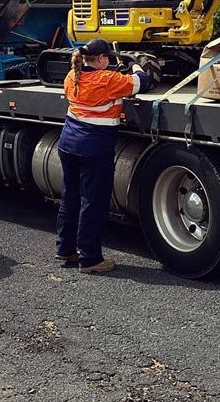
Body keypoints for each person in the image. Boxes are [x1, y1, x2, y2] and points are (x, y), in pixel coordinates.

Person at [56, 37, 155, 273]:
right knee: (94, 201)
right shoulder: (108, 79)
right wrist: (136, 65)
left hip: (68, 143)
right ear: (100, 59)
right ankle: (90, 259)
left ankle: (65, 249)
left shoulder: (72, 76)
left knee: (70, 197)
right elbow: (142, 82)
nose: (109, 61)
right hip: (94, 147)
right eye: (107, 58)